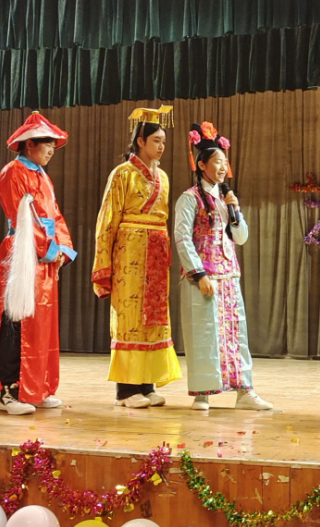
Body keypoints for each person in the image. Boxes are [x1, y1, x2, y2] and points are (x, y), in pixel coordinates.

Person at [0, 111, 76, 415]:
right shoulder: (13, 172)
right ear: (30, 144)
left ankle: (36, 388)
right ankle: (9, 392)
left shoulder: (43, 177)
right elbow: (23, 217)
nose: (51, 151)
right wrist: (49, 248)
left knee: (41, 324)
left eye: (53, 146)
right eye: (47, 144)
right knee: (16, 320)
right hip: (23, 252)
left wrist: (62, 249)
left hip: (44, 256)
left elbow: (55, 215)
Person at [173, 121, 272, 411]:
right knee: (204, 333)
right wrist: (198, 273)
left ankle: (244, 391)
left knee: (235, 332)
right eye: (217, 161)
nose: (222, 167)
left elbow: (240, 238)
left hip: (228, 274)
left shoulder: (226, 198)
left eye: (224, 161)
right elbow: (182, 237)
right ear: (201, 164)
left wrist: (235, 210)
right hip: (203, 277)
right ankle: (202, 394)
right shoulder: (189, 198)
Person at [92, 106, 182, 407]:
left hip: (155, 252)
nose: (161, 146)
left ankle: (147, 383)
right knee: (130, 316)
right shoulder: (122, 174)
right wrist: (104, 262)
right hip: (129, 252)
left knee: (153, 318)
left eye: (164, 141)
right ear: (140, 142)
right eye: (156, 140)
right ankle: (126, 390)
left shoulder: (163, 177)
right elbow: (107, 219)